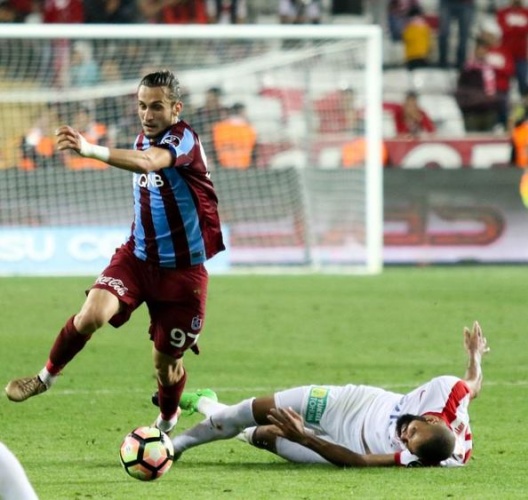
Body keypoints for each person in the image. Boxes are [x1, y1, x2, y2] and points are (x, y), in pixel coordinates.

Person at [4, 70, 226, 437]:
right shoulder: (141, 140)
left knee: (166, 366)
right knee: (91, 314)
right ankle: (44, 378)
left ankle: (166, 421)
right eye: (142, 105)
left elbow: (148, 163)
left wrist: (89, 149)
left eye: (156, 107)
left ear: (176, 108)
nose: (147, 114)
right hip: (136, 260)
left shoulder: (184, 139)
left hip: (183, 275)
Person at [165, 321, 489, 467]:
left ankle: (206, 402)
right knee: (251, 411)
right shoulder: (448, 391)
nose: (403, 436)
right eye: (412, 431)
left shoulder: (428, 458)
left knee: (262, 436)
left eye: (408, 442)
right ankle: (174, 447)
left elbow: (360, 461)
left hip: (347, 447)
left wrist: (304, 438)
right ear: (433, 420)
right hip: (350, 403)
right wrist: (475, 355)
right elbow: (472, 385)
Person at [212, 102, 257, 169]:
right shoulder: (249, 129)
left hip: (223, 167)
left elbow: (214, 148)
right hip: (244, 167)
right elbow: (253, 148)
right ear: (242, 112)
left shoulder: (218, 127)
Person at [438, 0, 476, 69]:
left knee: (464, 35)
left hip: (466, 3)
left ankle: (461, 64)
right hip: (446, 2)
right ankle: (442, 62)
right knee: (444, 33)